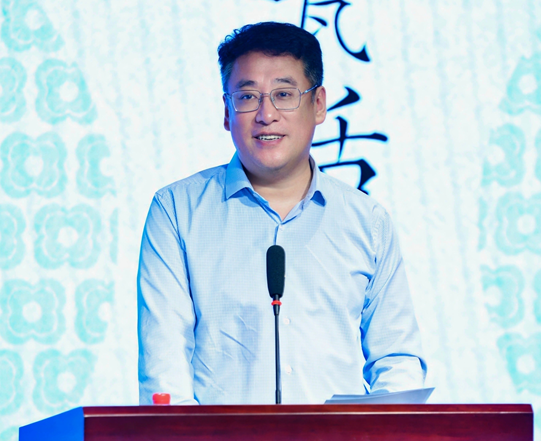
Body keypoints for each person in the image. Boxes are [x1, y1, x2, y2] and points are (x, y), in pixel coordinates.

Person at [137, 21, 425, 405]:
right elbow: (164, 370)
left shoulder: (366, 220)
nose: (266, 114)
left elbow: (397, 359)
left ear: (318, 104)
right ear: (227, 111)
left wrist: (385, 430)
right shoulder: (177, 211)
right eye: (247, 96)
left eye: (284, 94)